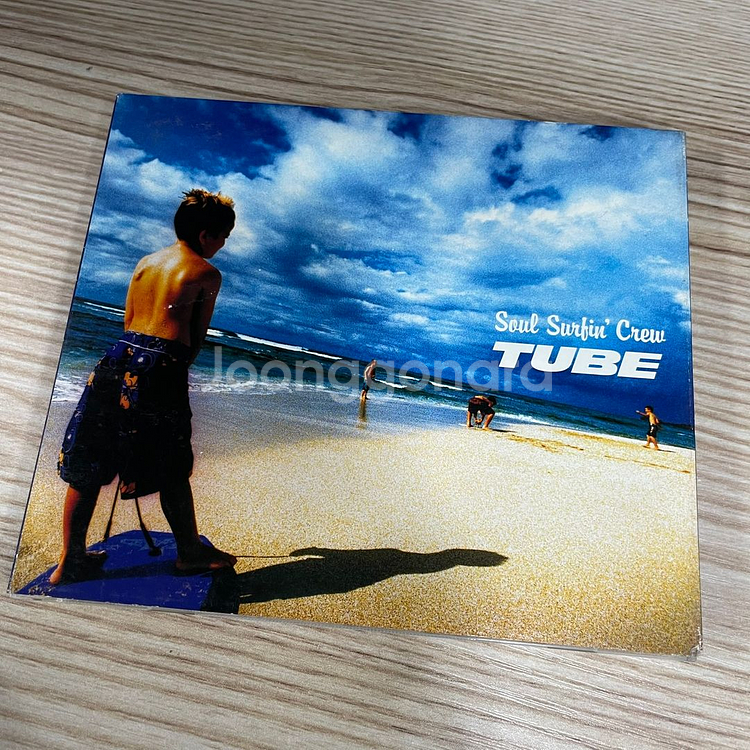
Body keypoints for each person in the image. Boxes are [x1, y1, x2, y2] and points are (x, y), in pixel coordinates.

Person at [50, 189, 238, 585]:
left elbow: (129, 320)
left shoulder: (146, 262)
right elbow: (195, 337)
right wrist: (170, 370)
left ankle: (71, 559)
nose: (222, 245)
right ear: (205, 235)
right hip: (161, 366)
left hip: (116, 359)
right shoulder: (206, 273)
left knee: (90, 459)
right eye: (223, 237)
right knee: (172, 464)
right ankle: (189, 553)